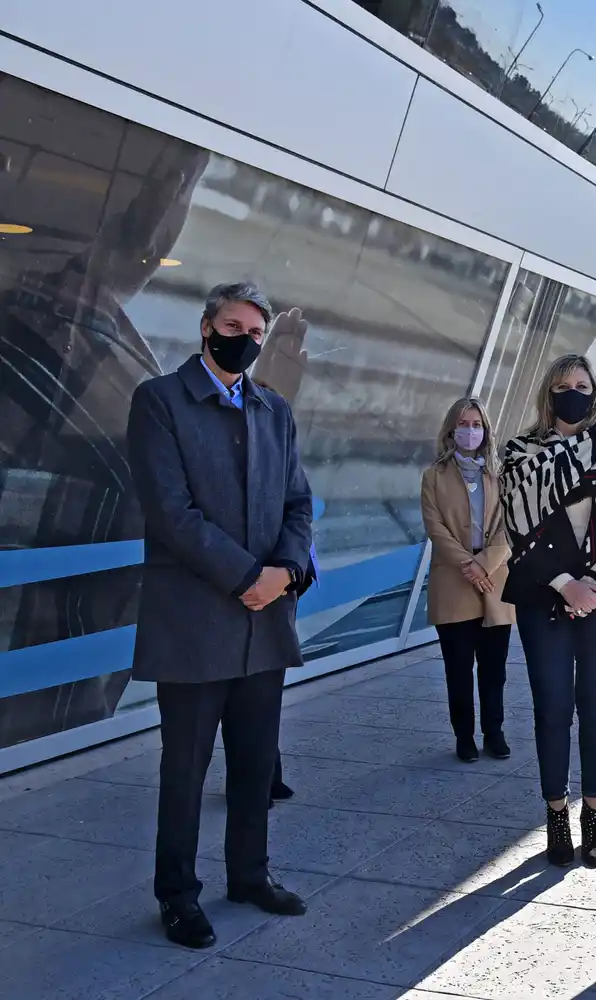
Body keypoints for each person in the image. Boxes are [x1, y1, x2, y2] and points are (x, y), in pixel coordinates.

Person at [125, 281, 313, 949]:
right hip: (194, 623)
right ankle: (177, 895)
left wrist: (285, 573)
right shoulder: (159, 402)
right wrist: (247, 578)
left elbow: (298, 503)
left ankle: (249, 874)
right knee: (185, 769)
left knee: (256, 764)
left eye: (257, 332)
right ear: (206, 327)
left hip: (263, 622)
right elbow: (172, 515)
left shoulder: (274, 410)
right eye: (235, 325)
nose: (246, 339)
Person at [500, 354, 596, 869]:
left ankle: (594, 813)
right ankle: (555, 813)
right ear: (549, 392)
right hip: (543, 595)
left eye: (582, 384)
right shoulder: (521, 451)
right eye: (563, 385)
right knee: (551, 708)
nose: (573, 392)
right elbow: (519, 525)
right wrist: (566, 583)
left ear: (595, 391)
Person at [421, 397, 516, 763]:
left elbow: (509, 527)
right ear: (451, 429)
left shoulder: (501, 474)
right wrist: (468, 565)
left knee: (494, 669)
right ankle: (465, 736)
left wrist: (486, 564)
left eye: (477, 424)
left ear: (486, 431)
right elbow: (436, 529)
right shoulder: (434, 476)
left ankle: (495, 732)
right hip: (454, 583)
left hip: (495, 583)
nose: (470, 430)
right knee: (458, 669)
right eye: (464, 423)